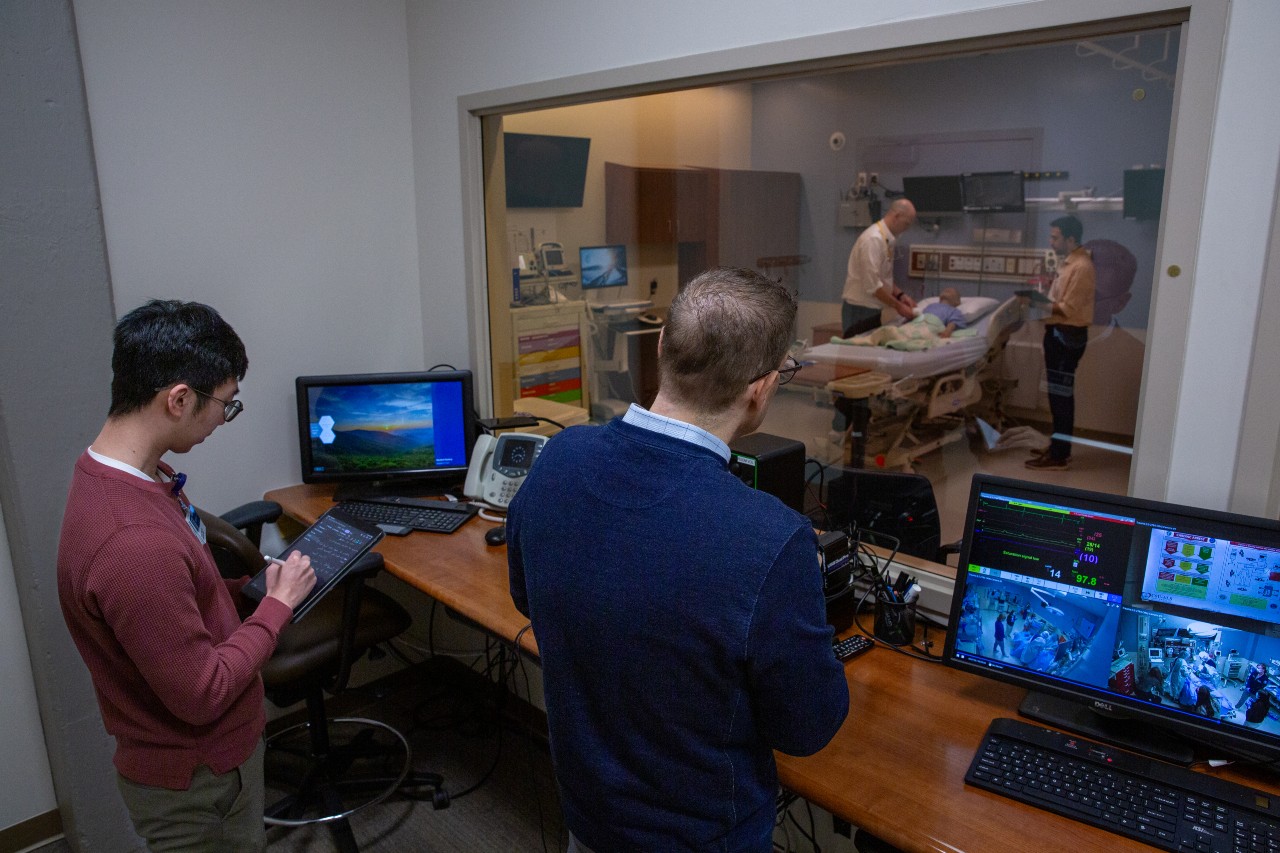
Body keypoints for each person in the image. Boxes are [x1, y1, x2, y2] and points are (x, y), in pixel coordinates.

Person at [507, 267, 849, 852]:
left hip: (587, 821)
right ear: (761, 388)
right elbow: (807, 728)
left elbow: (528, 596)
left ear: (663, 345)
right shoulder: (770, 539)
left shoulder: (560, 459)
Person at [57, 300, 316, 852]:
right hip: (200, 785)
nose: (224, 418)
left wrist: (244, 594)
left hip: (208, 767)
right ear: (178, 399)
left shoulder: (133, 478)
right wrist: (277, 609)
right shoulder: (131, 541)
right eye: (226, 404)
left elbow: (180, 603)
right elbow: (203, 692)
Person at [1026, 214, 1095, 471]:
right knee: (1057, 395)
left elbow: (1067, 308)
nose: (1051, 241)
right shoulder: (1068, 264)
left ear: (1070, 238)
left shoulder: (1081, 267)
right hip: (1057, 333)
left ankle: (1059, 455)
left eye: (1055, 237)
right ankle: (1058, 447)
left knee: (1061, 397)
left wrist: (1037, 302)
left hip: (1067, 336)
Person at [841, 197, 919, 337]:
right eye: (906, 224)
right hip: (860, 311)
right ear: (896, 216)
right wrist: (899, 306)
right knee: (857, 355)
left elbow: (883, 277)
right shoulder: (873, 240)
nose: (906, 229)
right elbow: (873, 286)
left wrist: (901, 296)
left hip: (872, 310)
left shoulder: (887, 239)